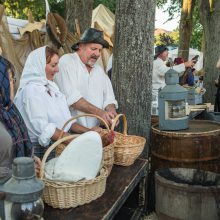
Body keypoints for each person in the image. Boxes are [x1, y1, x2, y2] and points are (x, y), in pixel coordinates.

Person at [14, 46, 99, 159]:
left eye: (57, 64)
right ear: (39, 66)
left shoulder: (52, 88)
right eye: (53, 65)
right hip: (39, 153)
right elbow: (44, 128)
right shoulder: (31, 91)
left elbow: (67, 122)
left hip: (56, 145)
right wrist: (73, 140)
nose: (57, 69)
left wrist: (89, 133)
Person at [55, 28, 118, 128]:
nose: (97, 54)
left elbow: (109, 98)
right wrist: (100, 113)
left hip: (97, 132)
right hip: (71, 132)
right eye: (93, 49)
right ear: (80, 46)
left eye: (100, 50)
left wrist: (111, 112)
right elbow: (73, 99)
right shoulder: (67, 62)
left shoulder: (99, 70)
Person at [0, 56, 41, 177]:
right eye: (11, 80)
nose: (13, 85)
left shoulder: (10, 111)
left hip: (16, 192)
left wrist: (29, 159)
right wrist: (23, 170)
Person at [152, 45, 195, 115]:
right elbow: (168, 71)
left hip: (159, 93)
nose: (168, 54)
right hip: (157, 94)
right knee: (159, 114)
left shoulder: (158, 62)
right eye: (166, 52)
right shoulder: (157, 63)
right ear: (160, 53)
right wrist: (184, 65)